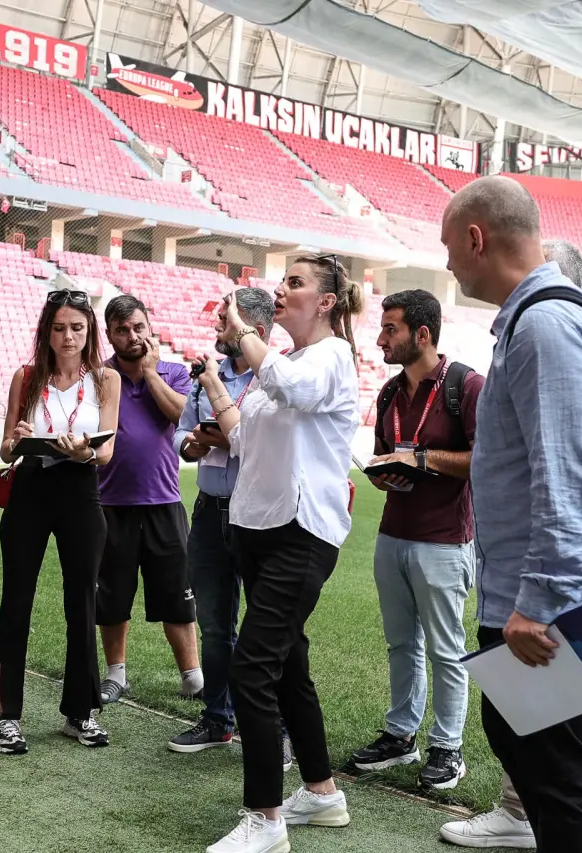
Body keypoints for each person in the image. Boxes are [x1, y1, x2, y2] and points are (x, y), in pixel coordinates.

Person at [441, 174, 582, 853]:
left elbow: (569, 479)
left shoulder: (546, 326)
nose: (447, 261)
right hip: (563, 596)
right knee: (536, 757)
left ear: (476, 238)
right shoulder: (542, 318)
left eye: (449, 245)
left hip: (555, 605)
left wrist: (537, 604)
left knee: (557, 778)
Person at [205, 255, 362, 853]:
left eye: (295, 282)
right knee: (288, 665)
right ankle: (321, 792)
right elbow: (243, 440)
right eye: (283, 280)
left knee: (252, 668)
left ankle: (265, 818)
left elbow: (291, 389)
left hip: (300, 533)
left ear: (326, 301)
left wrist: (243, 333)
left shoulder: (331, 357)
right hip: (259, 529)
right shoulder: (287, 361)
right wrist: (216, 387)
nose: (281, 289)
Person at [349, 288, 482, 791]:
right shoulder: (388, 392)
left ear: (422, 334)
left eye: (391, 330)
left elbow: (484, 458)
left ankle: (448, 747)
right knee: (401, 643)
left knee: (446, 649)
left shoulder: (466, 385)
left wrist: (421, 459)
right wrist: (385, 472)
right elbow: (386, 453)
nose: (381, 340)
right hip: (393, 534)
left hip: (445, 540)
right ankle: (401, 735)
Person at [0, 289, 121, 753]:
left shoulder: (106, 379)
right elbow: (6, 448)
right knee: (16, 599)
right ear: (47, 331)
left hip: (81, 489)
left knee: (82, 602)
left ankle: (80, 712)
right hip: (31, 487)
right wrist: (18, 439)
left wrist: (86, 451)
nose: (68, 336)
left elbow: (106, 451)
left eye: (77, 328)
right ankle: (3, 715)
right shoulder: (27, 376)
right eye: (59, 328)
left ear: (89, 332)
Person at [168, 288, 286, 756]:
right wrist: (190, 445)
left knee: (268, 630)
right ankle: (218, 719)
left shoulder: (276, 377)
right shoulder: (206, 377)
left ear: (254, 329)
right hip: (209, 509)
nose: (217, 328)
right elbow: (182, 430)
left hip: (257, 515)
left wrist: (225, 436)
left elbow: (259, 440)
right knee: (216, 627)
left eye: (225, 321)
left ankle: (277, 730)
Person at [96, 294, 201, 705]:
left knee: (177, 595)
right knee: (112, 596)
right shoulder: (99, 377)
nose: (132, 336)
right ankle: (116, 675)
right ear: (110, 335)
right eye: (122, 330)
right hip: (110, 503)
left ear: (150, 328)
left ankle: (192, 677)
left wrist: (151, 373)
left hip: (163, 502)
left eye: (138, 327)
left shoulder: (174, 373)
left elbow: (182, 416)